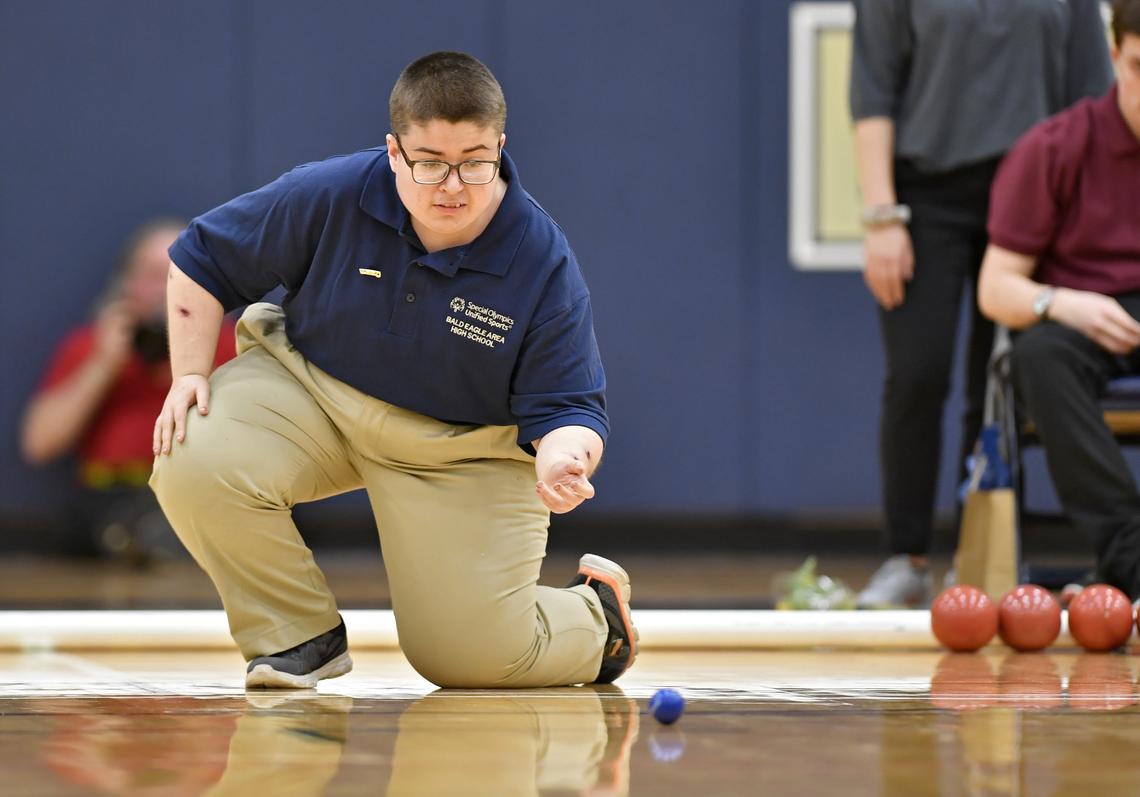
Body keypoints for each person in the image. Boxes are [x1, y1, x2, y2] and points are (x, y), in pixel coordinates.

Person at [149, 51, 636, 689]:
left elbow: (571, 406)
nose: (453, 185)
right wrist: (187, 374)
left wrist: (563, 458)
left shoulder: (540, 258)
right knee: (191, 449)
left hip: (462, 447)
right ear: (393, 151)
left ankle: (596, 621)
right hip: (311, 391)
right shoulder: (330, 191)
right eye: (430, 163)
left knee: (469, 660)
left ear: (500, 147)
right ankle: (297, 637)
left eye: (475, 162)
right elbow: (200, 257)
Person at [849, 0, 1113, 607]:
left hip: (1034, 193)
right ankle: (905, 557)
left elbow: (1088, 99)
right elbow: (874, 90)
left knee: (995, 387)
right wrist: (882, 217)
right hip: (923, 196)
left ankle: (980, 561)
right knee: (917, 374)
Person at [978, 0, 1140, 601]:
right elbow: (996, 287)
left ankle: (1119, 573)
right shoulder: (1053, 147)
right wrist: (1061, 303)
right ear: (1114, 56)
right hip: (1078, 310)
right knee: (1038, 356)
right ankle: (1133, 553)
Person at [20, 220, 236, 562]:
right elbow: (39, 444)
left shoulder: (230, 344)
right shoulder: (92, 345)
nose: (167, 288)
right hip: (110, 502)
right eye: (153, 275)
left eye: (181, 273)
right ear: (127, 283)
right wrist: (102, 367)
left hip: (204, 497)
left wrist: (193, 364)